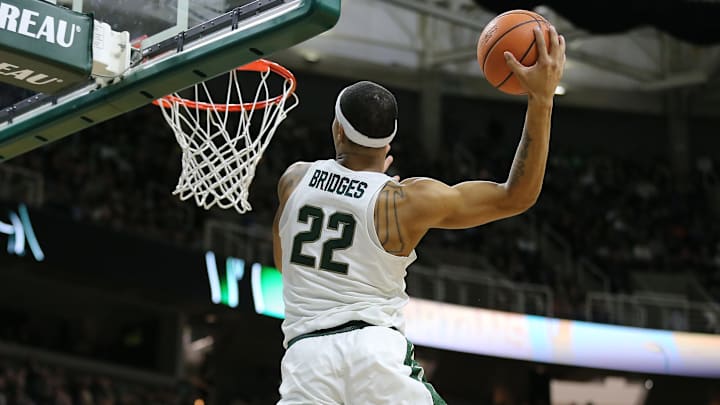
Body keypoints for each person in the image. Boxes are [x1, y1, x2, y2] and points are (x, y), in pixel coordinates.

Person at [272, 25, 565, 405]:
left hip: (306, 359)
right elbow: (516, 196)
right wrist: (541, 100)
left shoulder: (293, 179)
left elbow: (285, 263)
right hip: (374, 355)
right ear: (388, 141)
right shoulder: (405, 201)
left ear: (337, 131)